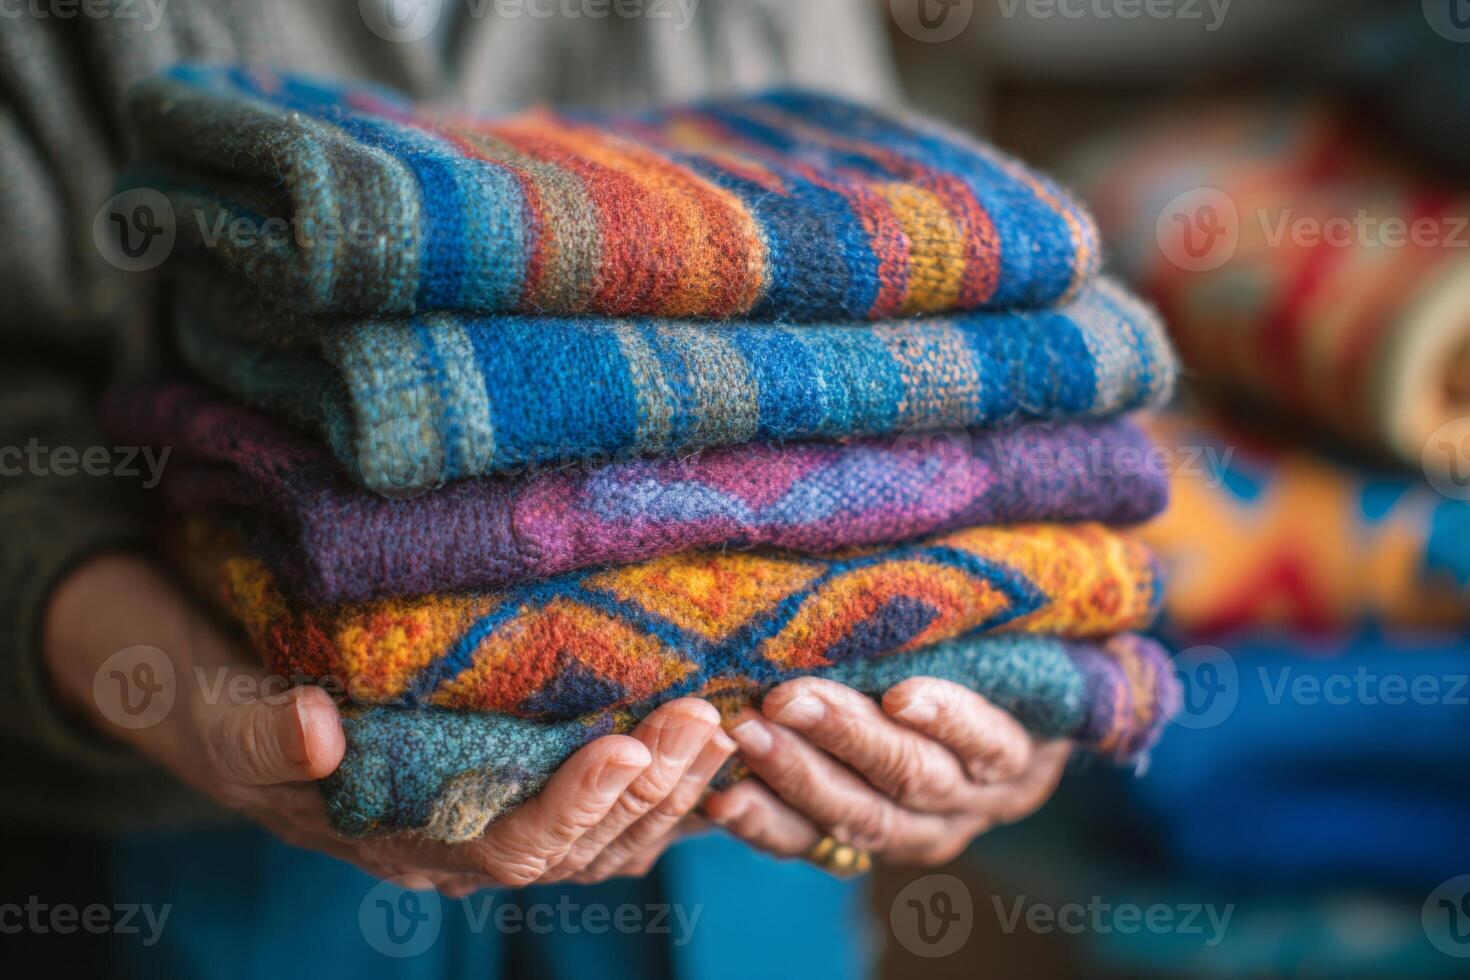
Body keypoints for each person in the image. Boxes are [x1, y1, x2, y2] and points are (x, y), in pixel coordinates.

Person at [2, 2, 1071, 974]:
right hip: (210, 877)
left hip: (741, 862)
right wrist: (186, 702)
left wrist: (978, 702)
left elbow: (926, 333)